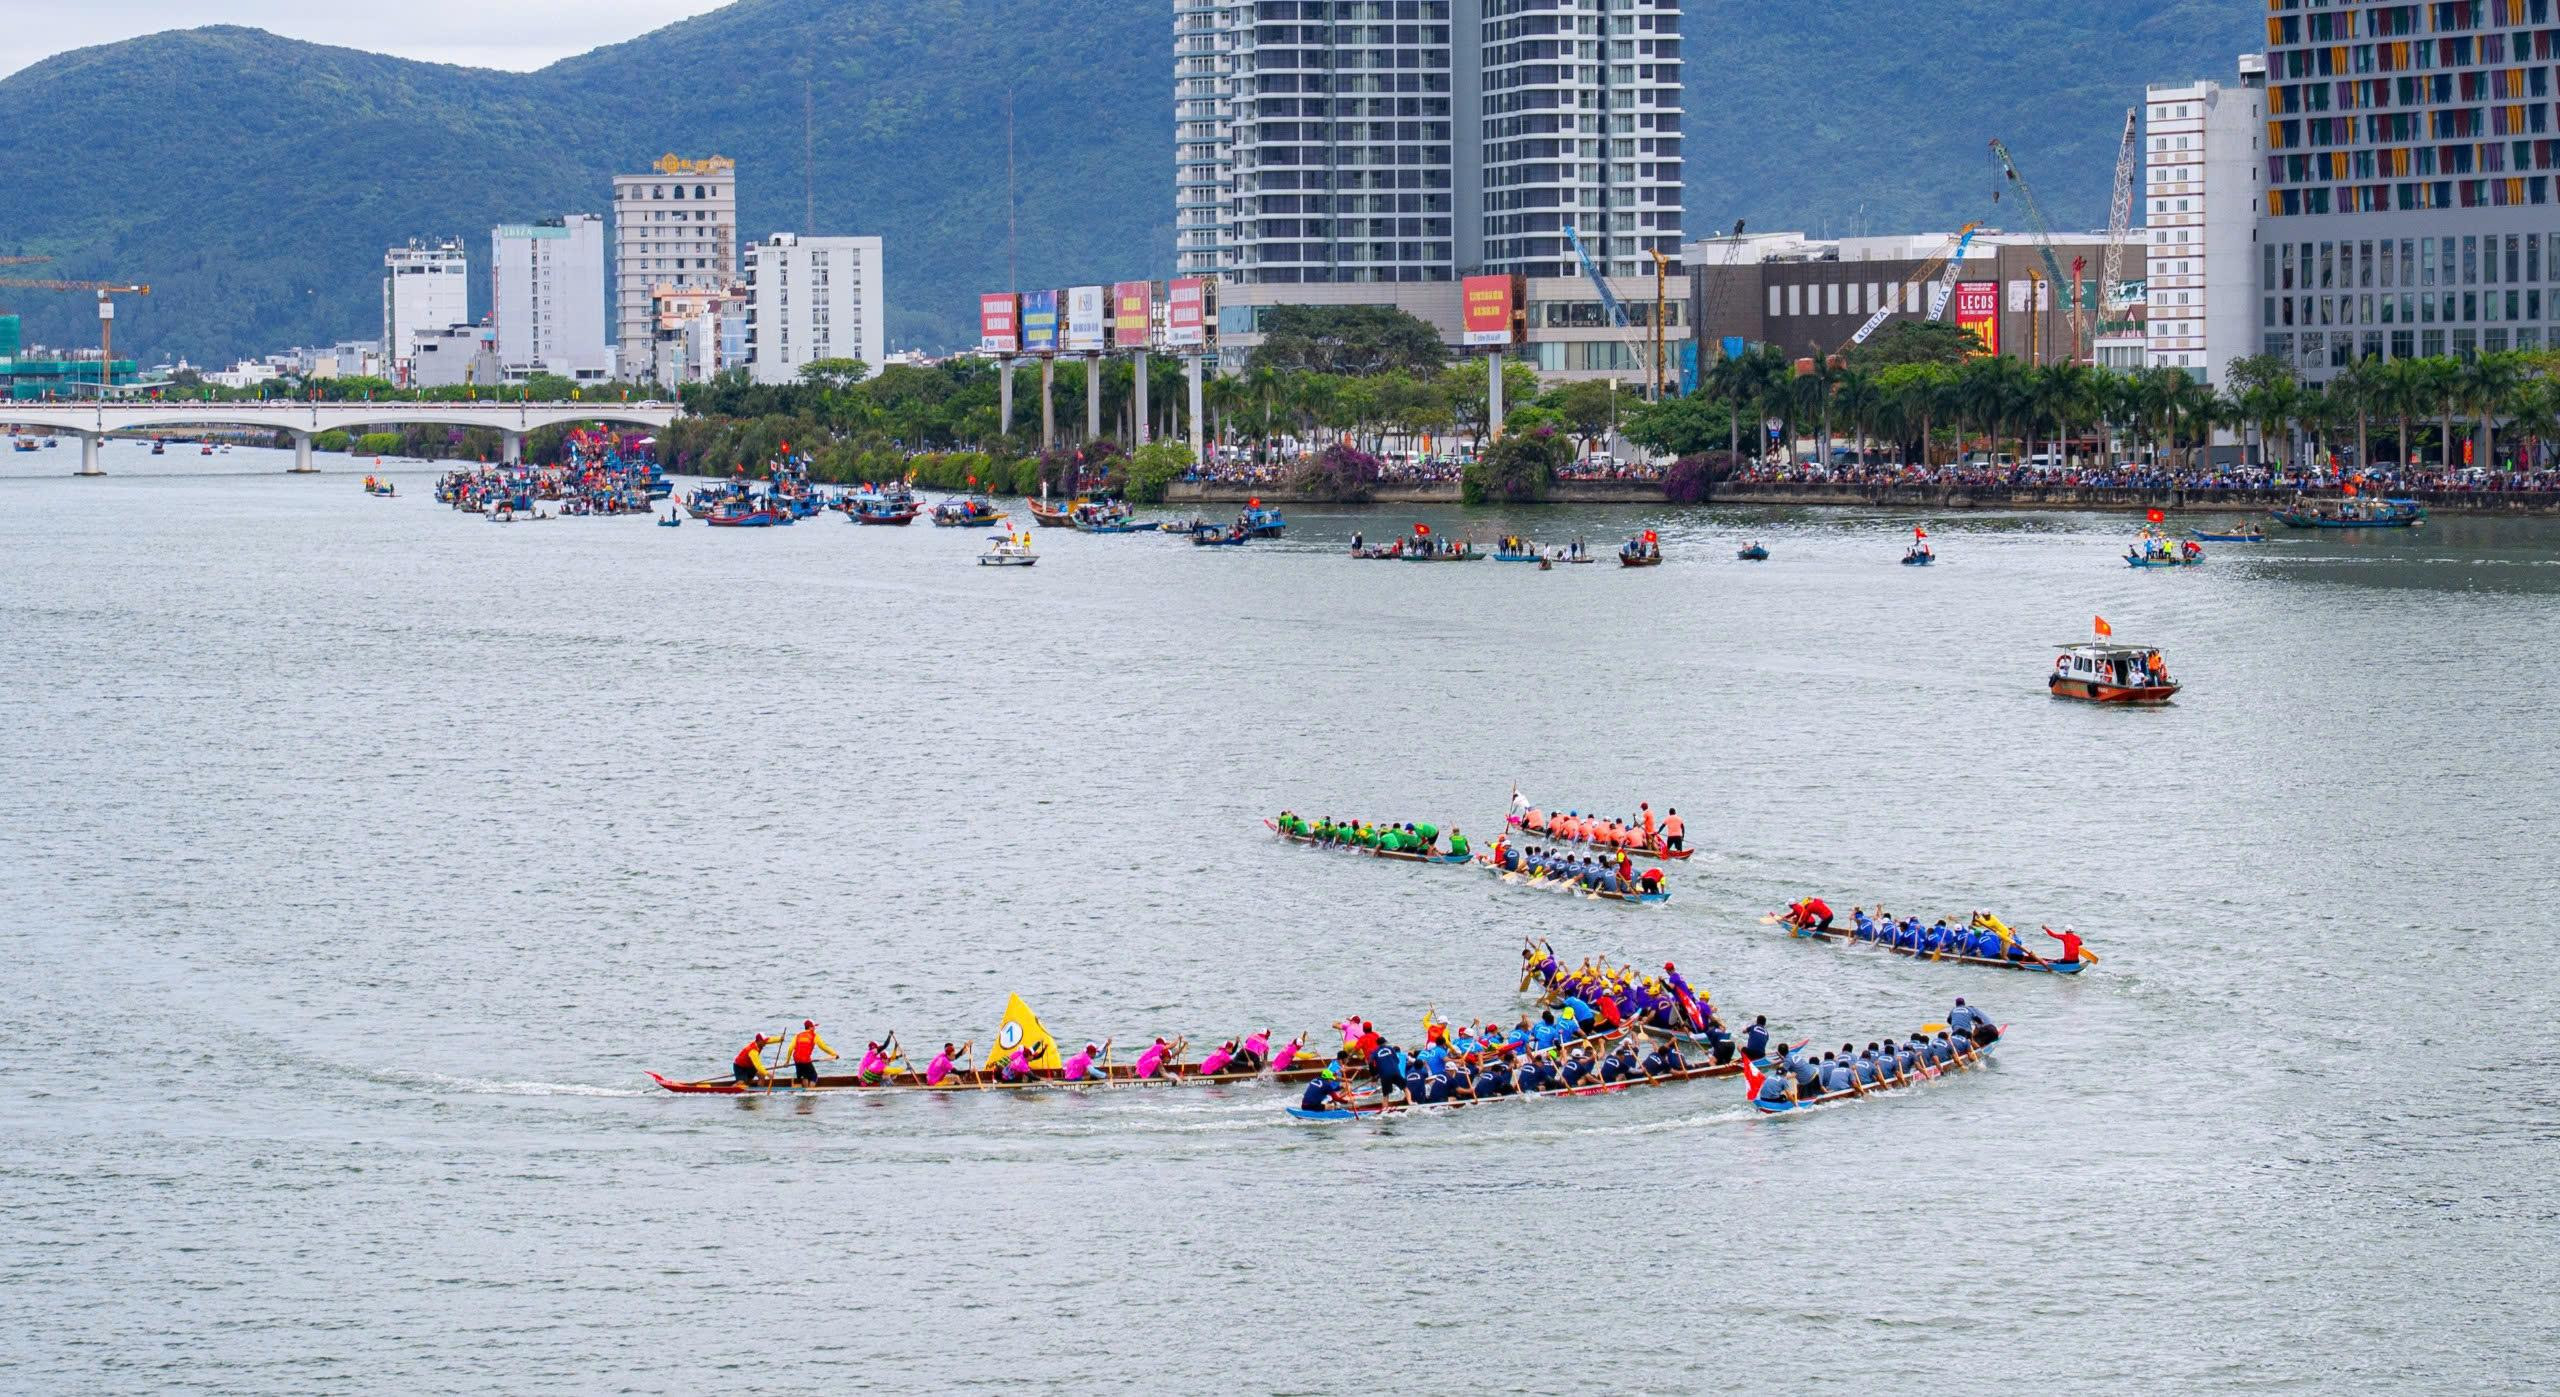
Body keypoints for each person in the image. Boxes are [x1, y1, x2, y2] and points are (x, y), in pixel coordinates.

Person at [788, 1020, 840, 1085]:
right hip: (805, 1059)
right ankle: (810, 1092)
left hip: (796, 1059)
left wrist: (787, 1062)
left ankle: (805, 1092)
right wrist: (834, 1054)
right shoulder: (814, 1035)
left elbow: (790, 1048)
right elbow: (823, 1047)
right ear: (810, 1027)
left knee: (805, 1076)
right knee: (814, 1077)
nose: (815, 1028)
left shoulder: (798, 1035)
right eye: (813, 1027)